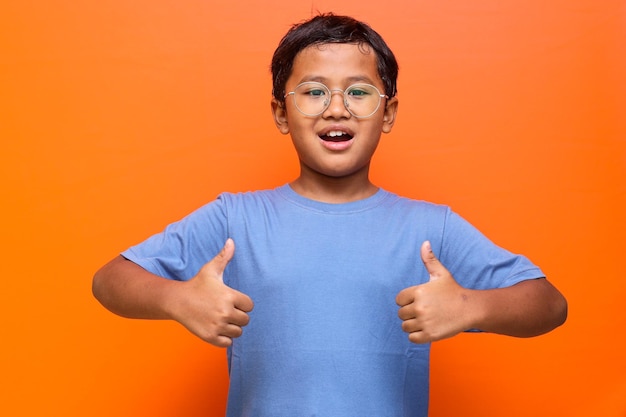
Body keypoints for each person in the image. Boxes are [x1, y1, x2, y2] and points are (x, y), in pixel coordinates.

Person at [92, 13, 567, 417]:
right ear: (281, 113)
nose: (336, 109)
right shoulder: (235, 219)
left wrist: (470, 307)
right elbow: (111, 279)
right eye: (314, 92)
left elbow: (549, 304)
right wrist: (177, 300)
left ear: (388, 112)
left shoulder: (429, 227)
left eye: (359, 93)